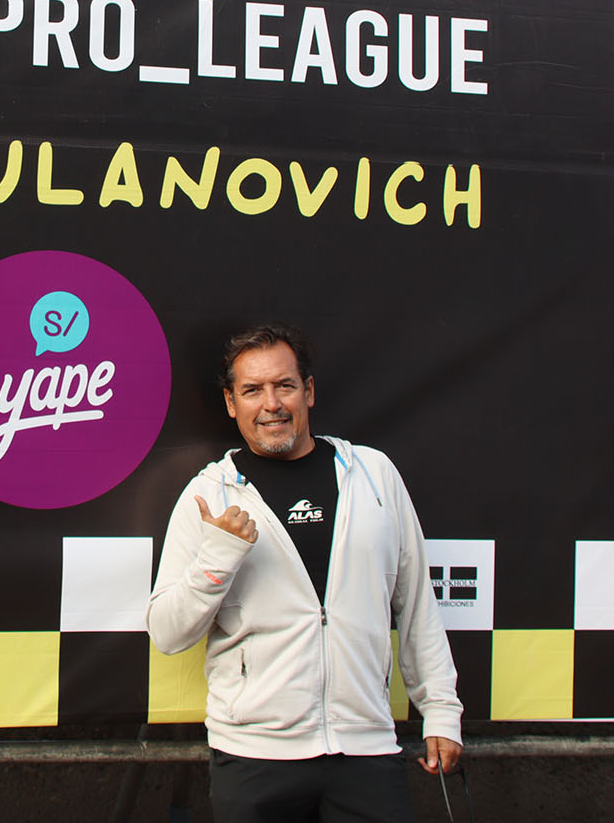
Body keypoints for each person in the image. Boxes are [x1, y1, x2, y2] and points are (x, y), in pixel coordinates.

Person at [146, 323, 462, 823]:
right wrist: (217, 558)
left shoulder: (374, 475)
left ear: (308, 391)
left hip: (366, 749)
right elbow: (167, 633)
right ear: (231, 402)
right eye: (252, 390)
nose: (271, 404)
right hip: (253, 757)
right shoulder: (209, 496)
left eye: (284, 386)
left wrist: (440, 709)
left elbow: (416, 602)